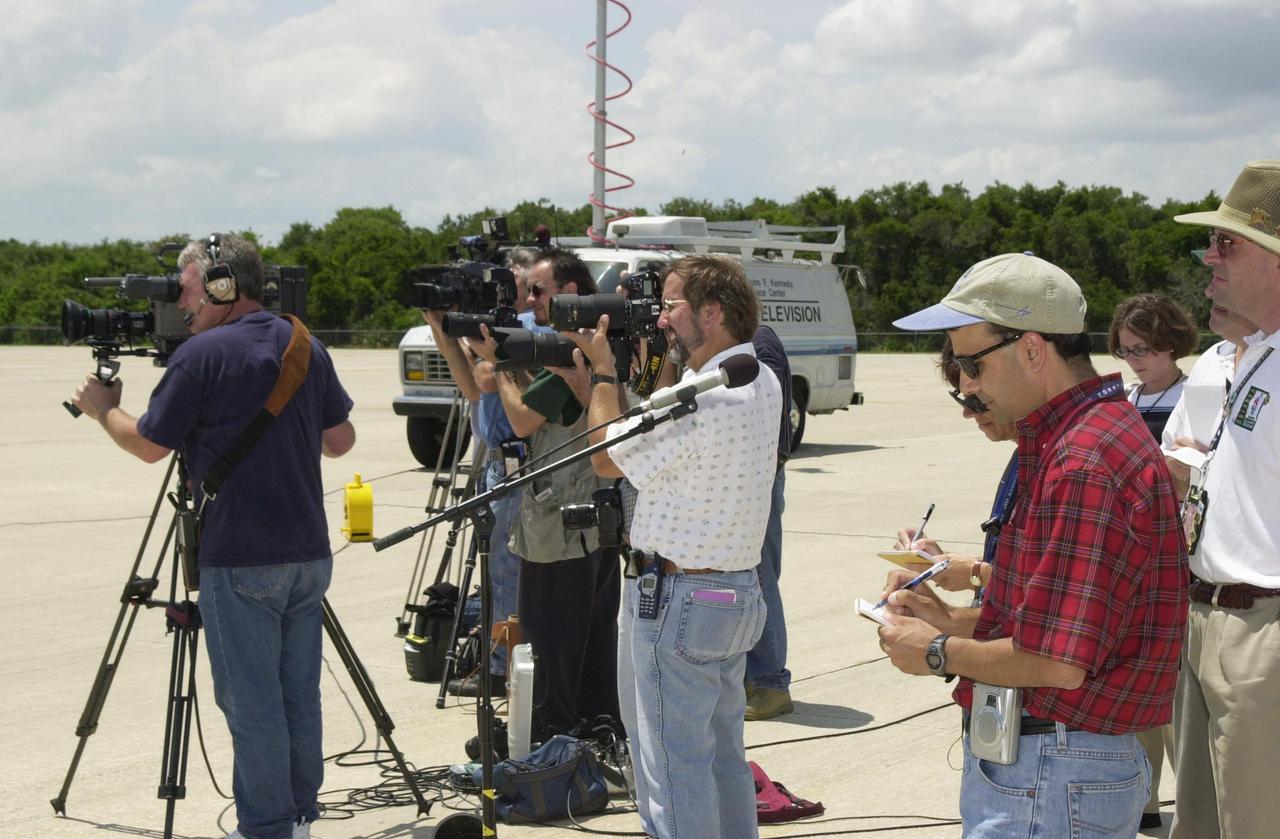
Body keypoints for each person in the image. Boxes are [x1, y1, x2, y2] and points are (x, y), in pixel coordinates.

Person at [882, 251, 1187, 838]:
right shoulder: (1077, 440)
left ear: (1030, 349)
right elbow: (1060, 620)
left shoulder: (1083, 460)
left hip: (1054, 767)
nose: (967, 385)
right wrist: (947, 617)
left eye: (972, 365)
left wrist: (937, 649)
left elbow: (1057, 662)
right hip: (1058, 763)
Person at [71, 233, 355, 839]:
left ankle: (269, 828)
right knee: (296, 694)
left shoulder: (200, 357)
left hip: (241, 556)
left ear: (223, 284)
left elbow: (149, 446)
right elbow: (341, 441)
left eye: (189, 289)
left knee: (252, 705)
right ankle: (299, 817)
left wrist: (103, 409)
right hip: (308, 552)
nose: (182, 303)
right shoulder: (305, 342)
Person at [566, 254, 782, 839]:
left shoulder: (700, 399)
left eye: (671, 306)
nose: (660, 319)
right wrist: (662, 371)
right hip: (733, 592)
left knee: (670, 767)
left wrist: (606, 375)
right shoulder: (755, 378)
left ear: (712, 313)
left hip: (678, 598)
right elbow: (664, 424)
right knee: (720, 758)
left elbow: (607, 457)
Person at [1168, 159, 1280, 839]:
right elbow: (1190, 465)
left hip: (1263, 631)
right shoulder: (1232, 358)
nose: (1209, 257)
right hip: (1202, 615)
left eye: (1228, 243)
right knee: (1200, 825)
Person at [468, 247, 621, 742]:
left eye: (538, 291)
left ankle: (554, 741)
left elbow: (520, 418)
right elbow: (483, 392)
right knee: (590, 644)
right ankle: (590, 731)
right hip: (588, 523)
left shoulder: (569, 355)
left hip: (561, 530)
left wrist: (502, 367)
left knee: (552, 643)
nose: (527, 300)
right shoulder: (593, 353)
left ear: (570, 295)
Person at [423, 250, 539, 697]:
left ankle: (502, 670)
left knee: (509, 577)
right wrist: (442, 330)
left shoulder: (524, 331)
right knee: (497, 576)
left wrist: (469, 334)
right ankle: (499, 662)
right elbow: (471, 387)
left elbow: (489, 376)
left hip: (518, 465)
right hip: (496, 466)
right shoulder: (482, 334)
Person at [744, 323, 794, 720]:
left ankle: (770, 683)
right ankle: (754, 677)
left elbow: (763, 412)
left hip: (757, 477)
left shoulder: (759, 342)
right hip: (746, 478)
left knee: (760, 578)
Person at [1108, 293, 1200, 442]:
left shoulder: (1193, 397)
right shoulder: (1123, 398)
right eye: (1124, 350)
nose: (1131, 359)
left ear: (1169, 342)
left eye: (1140, 349)